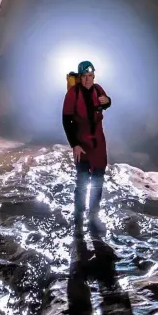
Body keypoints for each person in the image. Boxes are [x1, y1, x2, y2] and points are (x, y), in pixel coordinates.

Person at [62, 60, 111, 235]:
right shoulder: (73, 94)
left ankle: (93, 217)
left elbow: (106, 103)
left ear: (93, 76)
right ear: (80, 77)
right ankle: (78, 220)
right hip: (82, 145)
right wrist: (74, 144)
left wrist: (108, 101)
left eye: (90, 76)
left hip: (98, 144)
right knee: (82, 182)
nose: (88, 79)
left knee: (98, 180)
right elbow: (66, 121)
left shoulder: (98, 89)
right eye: (84, 76)